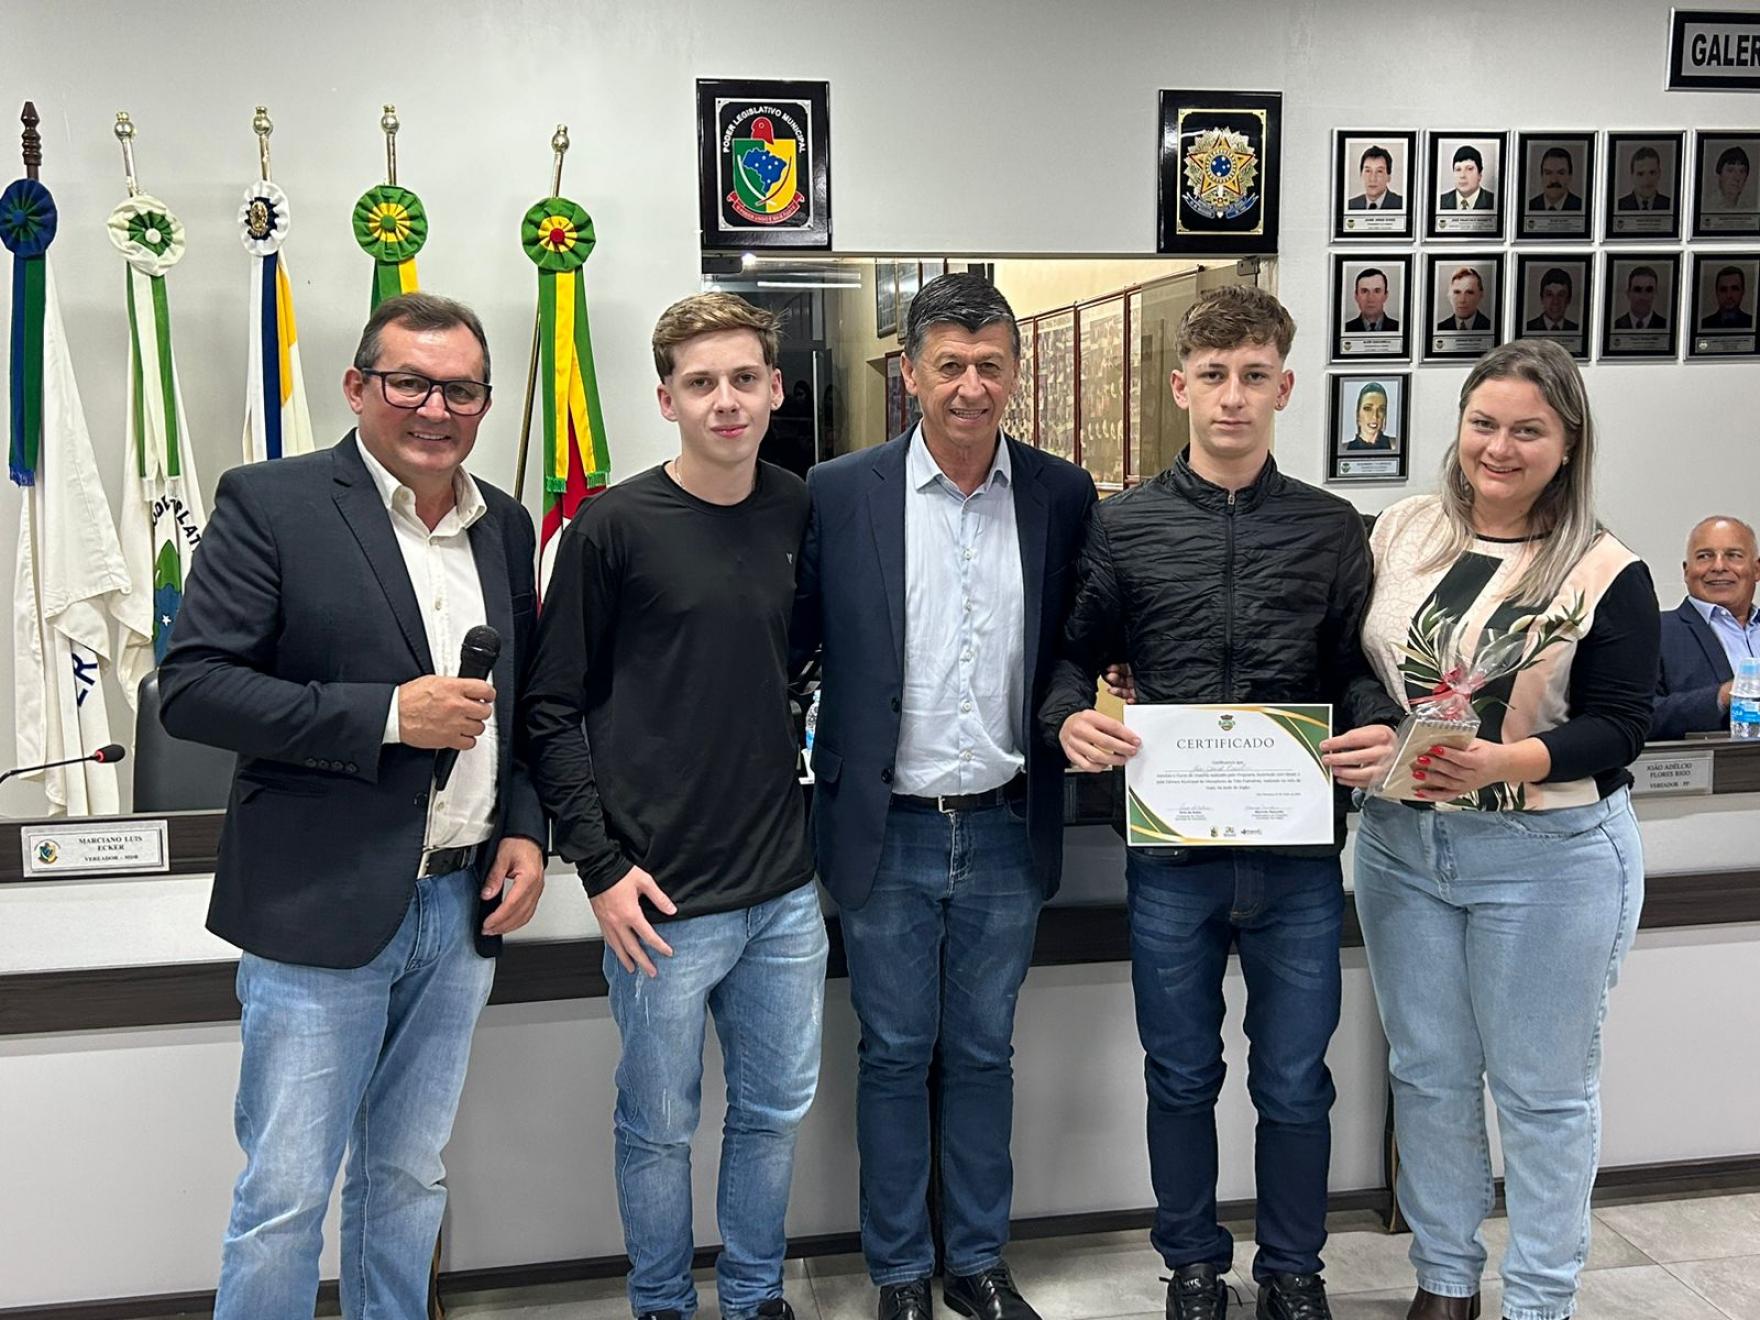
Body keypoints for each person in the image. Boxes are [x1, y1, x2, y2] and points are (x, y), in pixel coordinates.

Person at [158, 292, 549, 1319]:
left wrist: (524, 828)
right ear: (356, 387)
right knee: (285, 1196)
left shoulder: (505, 525)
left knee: (407, 1178)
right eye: (409, 383)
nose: (435, 409)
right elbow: (193, 688)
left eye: (461, 390)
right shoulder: (273, 502)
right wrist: (385, 714)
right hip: (317, 902)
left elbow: (523, 708)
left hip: (459, 907)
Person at [1041, 285, 1405, 1320]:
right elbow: (1071, 655)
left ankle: (1293, 1270)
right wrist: (1067, 719)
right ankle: (1193, 1266)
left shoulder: (1332, 527)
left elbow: (1354, 666)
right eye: (1213, 376)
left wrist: (1379, 723)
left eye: (1253, 376)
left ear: (1283, 387)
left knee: (1294, 1080)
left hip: (1297, 855)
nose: (1232, 397)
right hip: (1172, 856)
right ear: (1180, 388)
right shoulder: (1123, 525)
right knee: (1180, 1074)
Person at [792, 272, 1096, 1320]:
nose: (972, 386)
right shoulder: (839, 491)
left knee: (981, 1053)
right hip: (887, 831)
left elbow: (1073, 644)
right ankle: (897, 1273)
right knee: (890, 1055)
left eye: (990, 366)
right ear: (909, 375)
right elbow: (793, 644)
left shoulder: (1060, 493)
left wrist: (1083, 702)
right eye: (950, 365)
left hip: (1007, 823)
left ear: (1016, 374)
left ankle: (974, 1261)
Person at [522, 293, 826, 1320]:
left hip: (782, 891)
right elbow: (550, 708)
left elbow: (797, 659)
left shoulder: (796, 508)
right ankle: (661, 1303)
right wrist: (600, 869)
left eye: (743, 379)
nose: (724, 401)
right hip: (658, 898)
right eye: (701, 383)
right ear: (666, 400)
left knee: (772, 1115)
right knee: (657, 1127)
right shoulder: (611, 528)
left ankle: (753, 1297)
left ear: (775, 389)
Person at [1351, 338, 1659, 1320]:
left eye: (1528, 430)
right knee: (1427, 1076)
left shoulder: (1604, 569)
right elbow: (1351, 656)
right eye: (1483, 423)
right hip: (1401, 849)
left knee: (1540, 1093)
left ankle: (1537, 1300)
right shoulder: (1401, 530)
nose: (1499, 446)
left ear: (1566, 444)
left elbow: (1622, 726)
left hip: (1546, 860)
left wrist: (1502, 762)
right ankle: (1445, 1281)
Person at [1654, 515, 1760, 738]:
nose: (1719, 566)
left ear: (1756, 569)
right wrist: (1722, 697)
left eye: (1733, 555)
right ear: (1686, 571)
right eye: (1705, 556)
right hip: (1715, 760)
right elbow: (1637, 716)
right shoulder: (1655, 632)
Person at [1343, 380, 1399, 452]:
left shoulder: (1395, 445)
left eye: (1381, 409)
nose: (1375, 416)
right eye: (1368, 409)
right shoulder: (1344, 448)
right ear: (1358, 414)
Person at [1348, 144, 1404, 210]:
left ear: (1389, 177)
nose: (1373, 179)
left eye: (1379, 171)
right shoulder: (1350, 205)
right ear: (1361, 174)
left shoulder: (1402, 204)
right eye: (1368, 171)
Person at [1438, 144, 1495, 210]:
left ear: (1480, 174)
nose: (1462, 175)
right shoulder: (1440, 202)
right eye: (1458, 169)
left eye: (1469, 169)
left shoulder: (1493, 201)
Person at [1615, 145, 1671, 211]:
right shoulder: (1619, 205)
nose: (1646, 180)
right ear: (1632, 176)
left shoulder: (1670, 205)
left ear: (1659, 174)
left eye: (1652, 173)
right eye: (1640, 174)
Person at [1435, 267, 1492, 332]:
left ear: (1480, 295)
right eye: (1457, 292)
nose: (1462, 300)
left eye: (1469, 292)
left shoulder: (1491, 327)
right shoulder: (1439, 328)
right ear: (1449, 295)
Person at [1526, 146, 1583, 211]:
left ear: (1570, 176)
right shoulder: (1529, 206)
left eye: (1561, 173)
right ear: (1541, 176)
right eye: (1548, 173)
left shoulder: (1581, 206)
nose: (1554, 180)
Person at [1344, 267, 1400, 333]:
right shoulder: (1345, 329)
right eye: (1364, 291)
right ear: (1356, 296)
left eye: (1377, 291)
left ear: (1386, 295)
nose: (1370, 298)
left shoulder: (1400, 328)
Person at [1612, 265, 1667, 330]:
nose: (1643, 296)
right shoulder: (1615, 326)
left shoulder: (1665, 325)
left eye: (1649, 290)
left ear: (1655, 293)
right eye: (1637, 290)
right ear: (1628, 293)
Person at [1700, 265, 1755, 330]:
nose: (1729, 295)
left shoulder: (1753, 323)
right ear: (1716, 292)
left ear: (1743, 292)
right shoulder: (1703, 325)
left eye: (1734, 289)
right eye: (1723, 290)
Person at [1524, 268, 1578, 332]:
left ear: (1569, 299)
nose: (1555, 301)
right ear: (1542, 298)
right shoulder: (1528, 328)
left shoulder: (1576, 329)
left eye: (1561, 295)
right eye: (1549, 295)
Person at [1704, 144, 1753, 212]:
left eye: (1741, 171)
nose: (1737, 177)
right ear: (1719, 175)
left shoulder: (1749, 209)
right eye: (1730, 170)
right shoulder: (1707, 207)